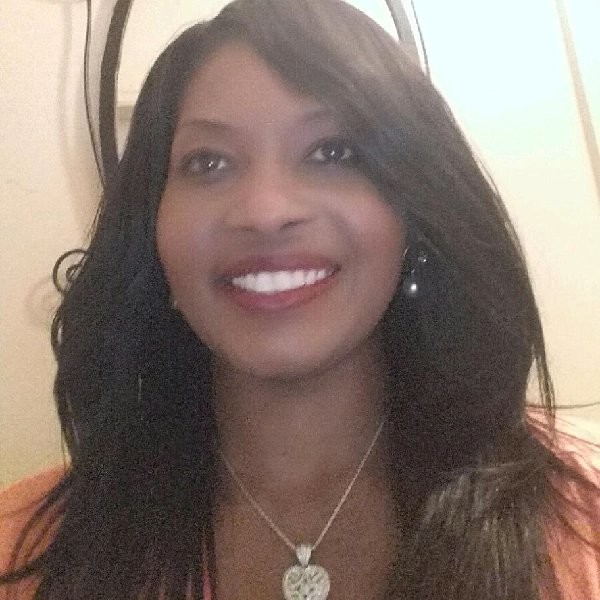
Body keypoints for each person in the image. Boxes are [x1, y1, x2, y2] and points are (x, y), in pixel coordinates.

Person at [1, 0, 599, 598]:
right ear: (151, 234)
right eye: (208, 162)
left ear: (415, 212)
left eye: (332, 152)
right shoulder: (25, 550)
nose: (266, 212)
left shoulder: (583, 523)